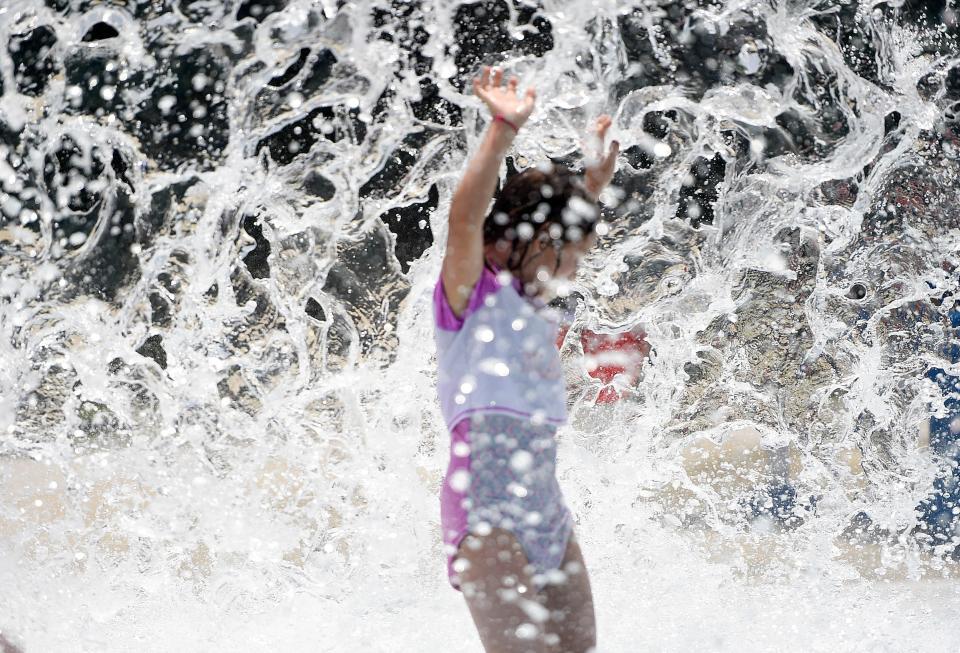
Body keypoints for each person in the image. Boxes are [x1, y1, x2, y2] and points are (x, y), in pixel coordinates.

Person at [433, 66, 618, 652]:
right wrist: (502, 130)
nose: (574, 272)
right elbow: (465, 217)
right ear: (536, 242)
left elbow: (556, 222)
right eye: (570, 256)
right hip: (485, 516)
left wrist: (591, 184)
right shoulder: (469, 293)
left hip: (548, 515)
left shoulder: (537, 303)